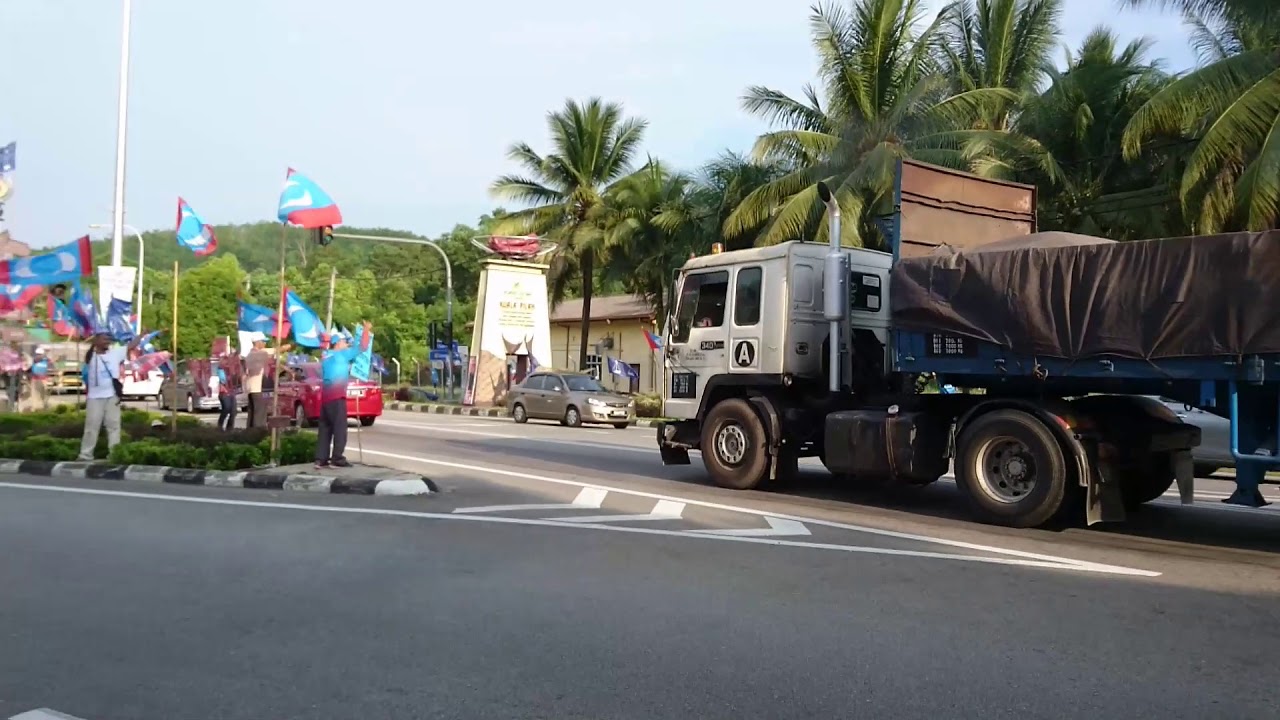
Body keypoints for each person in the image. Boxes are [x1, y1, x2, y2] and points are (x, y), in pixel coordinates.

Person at [315, 321, 372, 469]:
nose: (347, 344)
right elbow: (362, 347)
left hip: (325, 399)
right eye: (345, 342)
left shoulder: (326, 356)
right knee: (340, 429)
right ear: (338, 343)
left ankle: (321, 459)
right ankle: (337, 458)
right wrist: (366, 330)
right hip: (337, 397)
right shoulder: (342, 355)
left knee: (325, 429)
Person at [79, 331, 141, 461]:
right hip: (94, 398)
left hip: (112, 396)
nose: (107, 342)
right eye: (104, 339)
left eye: (108, 340)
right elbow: (86, 364)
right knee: (91, 427)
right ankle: (85, 455)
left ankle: (114, 454)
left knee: (113, 426)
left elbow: (131, 345)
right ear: (96, 341)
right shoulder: (91, 356)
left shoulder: (115, 353)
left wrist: (142, 335)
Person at [244, 333, 289, 428]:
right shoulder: (260, 353)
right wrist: (293, 344)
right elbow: (279, 350)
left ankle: (249, 433)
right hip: (258, 389)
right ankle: (258, 433)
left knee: (252, 413)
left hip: (251, 389)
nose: (265, 344)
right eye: (263, 341)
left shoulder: (250, 354)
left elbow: (272, 362)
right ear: (257, 342)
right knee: (260, 415)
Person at [215, 357, 238, 431]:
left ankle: (229, 428)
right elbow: (223, 380)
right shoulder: (220, 369)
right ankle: (220, 426)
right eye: (226, 363)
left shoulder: (232, 369)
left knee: (233, 411)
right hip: (224, 393)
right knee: (226, 409)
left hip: (232, 393)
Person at [27, 347, 50, 412]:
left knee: (44, 393)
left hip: (43, 379)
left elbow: (52, 360)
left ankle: (43, 406)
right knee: (35, 394)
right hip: (35, 379)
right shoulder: (33, 360)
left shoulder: (45, 360)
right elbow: (28, 367)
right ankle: (35, 407)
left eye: (40, 354)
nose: (39, 356)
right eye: (38, 354)